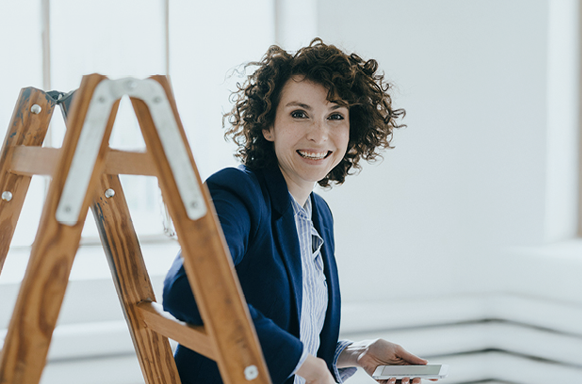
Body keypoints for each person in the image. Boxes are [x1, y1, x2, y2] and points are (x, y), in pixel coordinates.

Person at [162, 39, 426, 384]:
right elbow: (190, 287)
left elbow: (292, 328)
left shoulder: (319, 215)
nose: (319, 134)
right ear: (267, 125)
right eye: (299, 113)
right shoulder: (236, 192)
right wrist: (305, 364)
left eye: (335, 116)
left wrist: (355, 353)